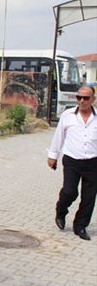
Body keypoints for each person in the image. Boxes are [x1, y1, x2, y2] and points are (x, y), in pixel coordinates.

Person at [47, 85, 96, 241]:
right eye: (79, 97)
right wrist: (52, 155)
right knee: (69, 191)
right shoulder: (67, 115)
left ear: (93, 100)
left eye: (86, 98)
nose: (82, 101)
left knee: (89, 197)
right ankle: (61, 211)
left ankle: (80, 225)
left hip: (93, 162)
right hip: (72, 160)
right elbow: (59, 135)